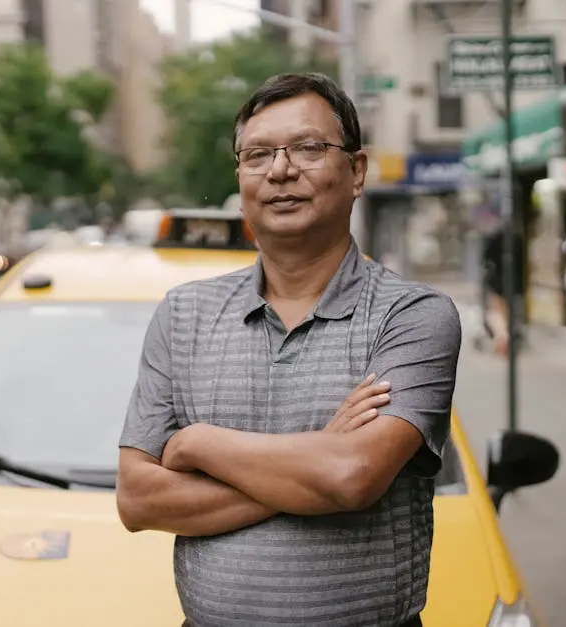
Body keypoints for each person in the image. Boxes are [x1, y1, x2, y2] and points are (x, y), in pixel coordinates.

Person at [116, 73, 462, 627]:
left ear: (356, 171)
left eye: (307, 148)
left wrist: (198, 444)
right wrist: (316, 463)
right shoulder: (183, 315)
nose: (279, 170)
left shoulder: (412, 315)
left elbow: (352, 476)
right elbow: (138, 501)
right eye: (257, 154)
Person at [481, 220, 525, 356]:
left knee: (497, 311)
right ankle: (505, 336)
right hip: (515, 282)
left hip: (497, 281)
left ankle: (502, 336)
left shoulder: (494, 238)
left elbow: (485, 259)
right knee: (509, 313)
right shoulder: (518, 239)